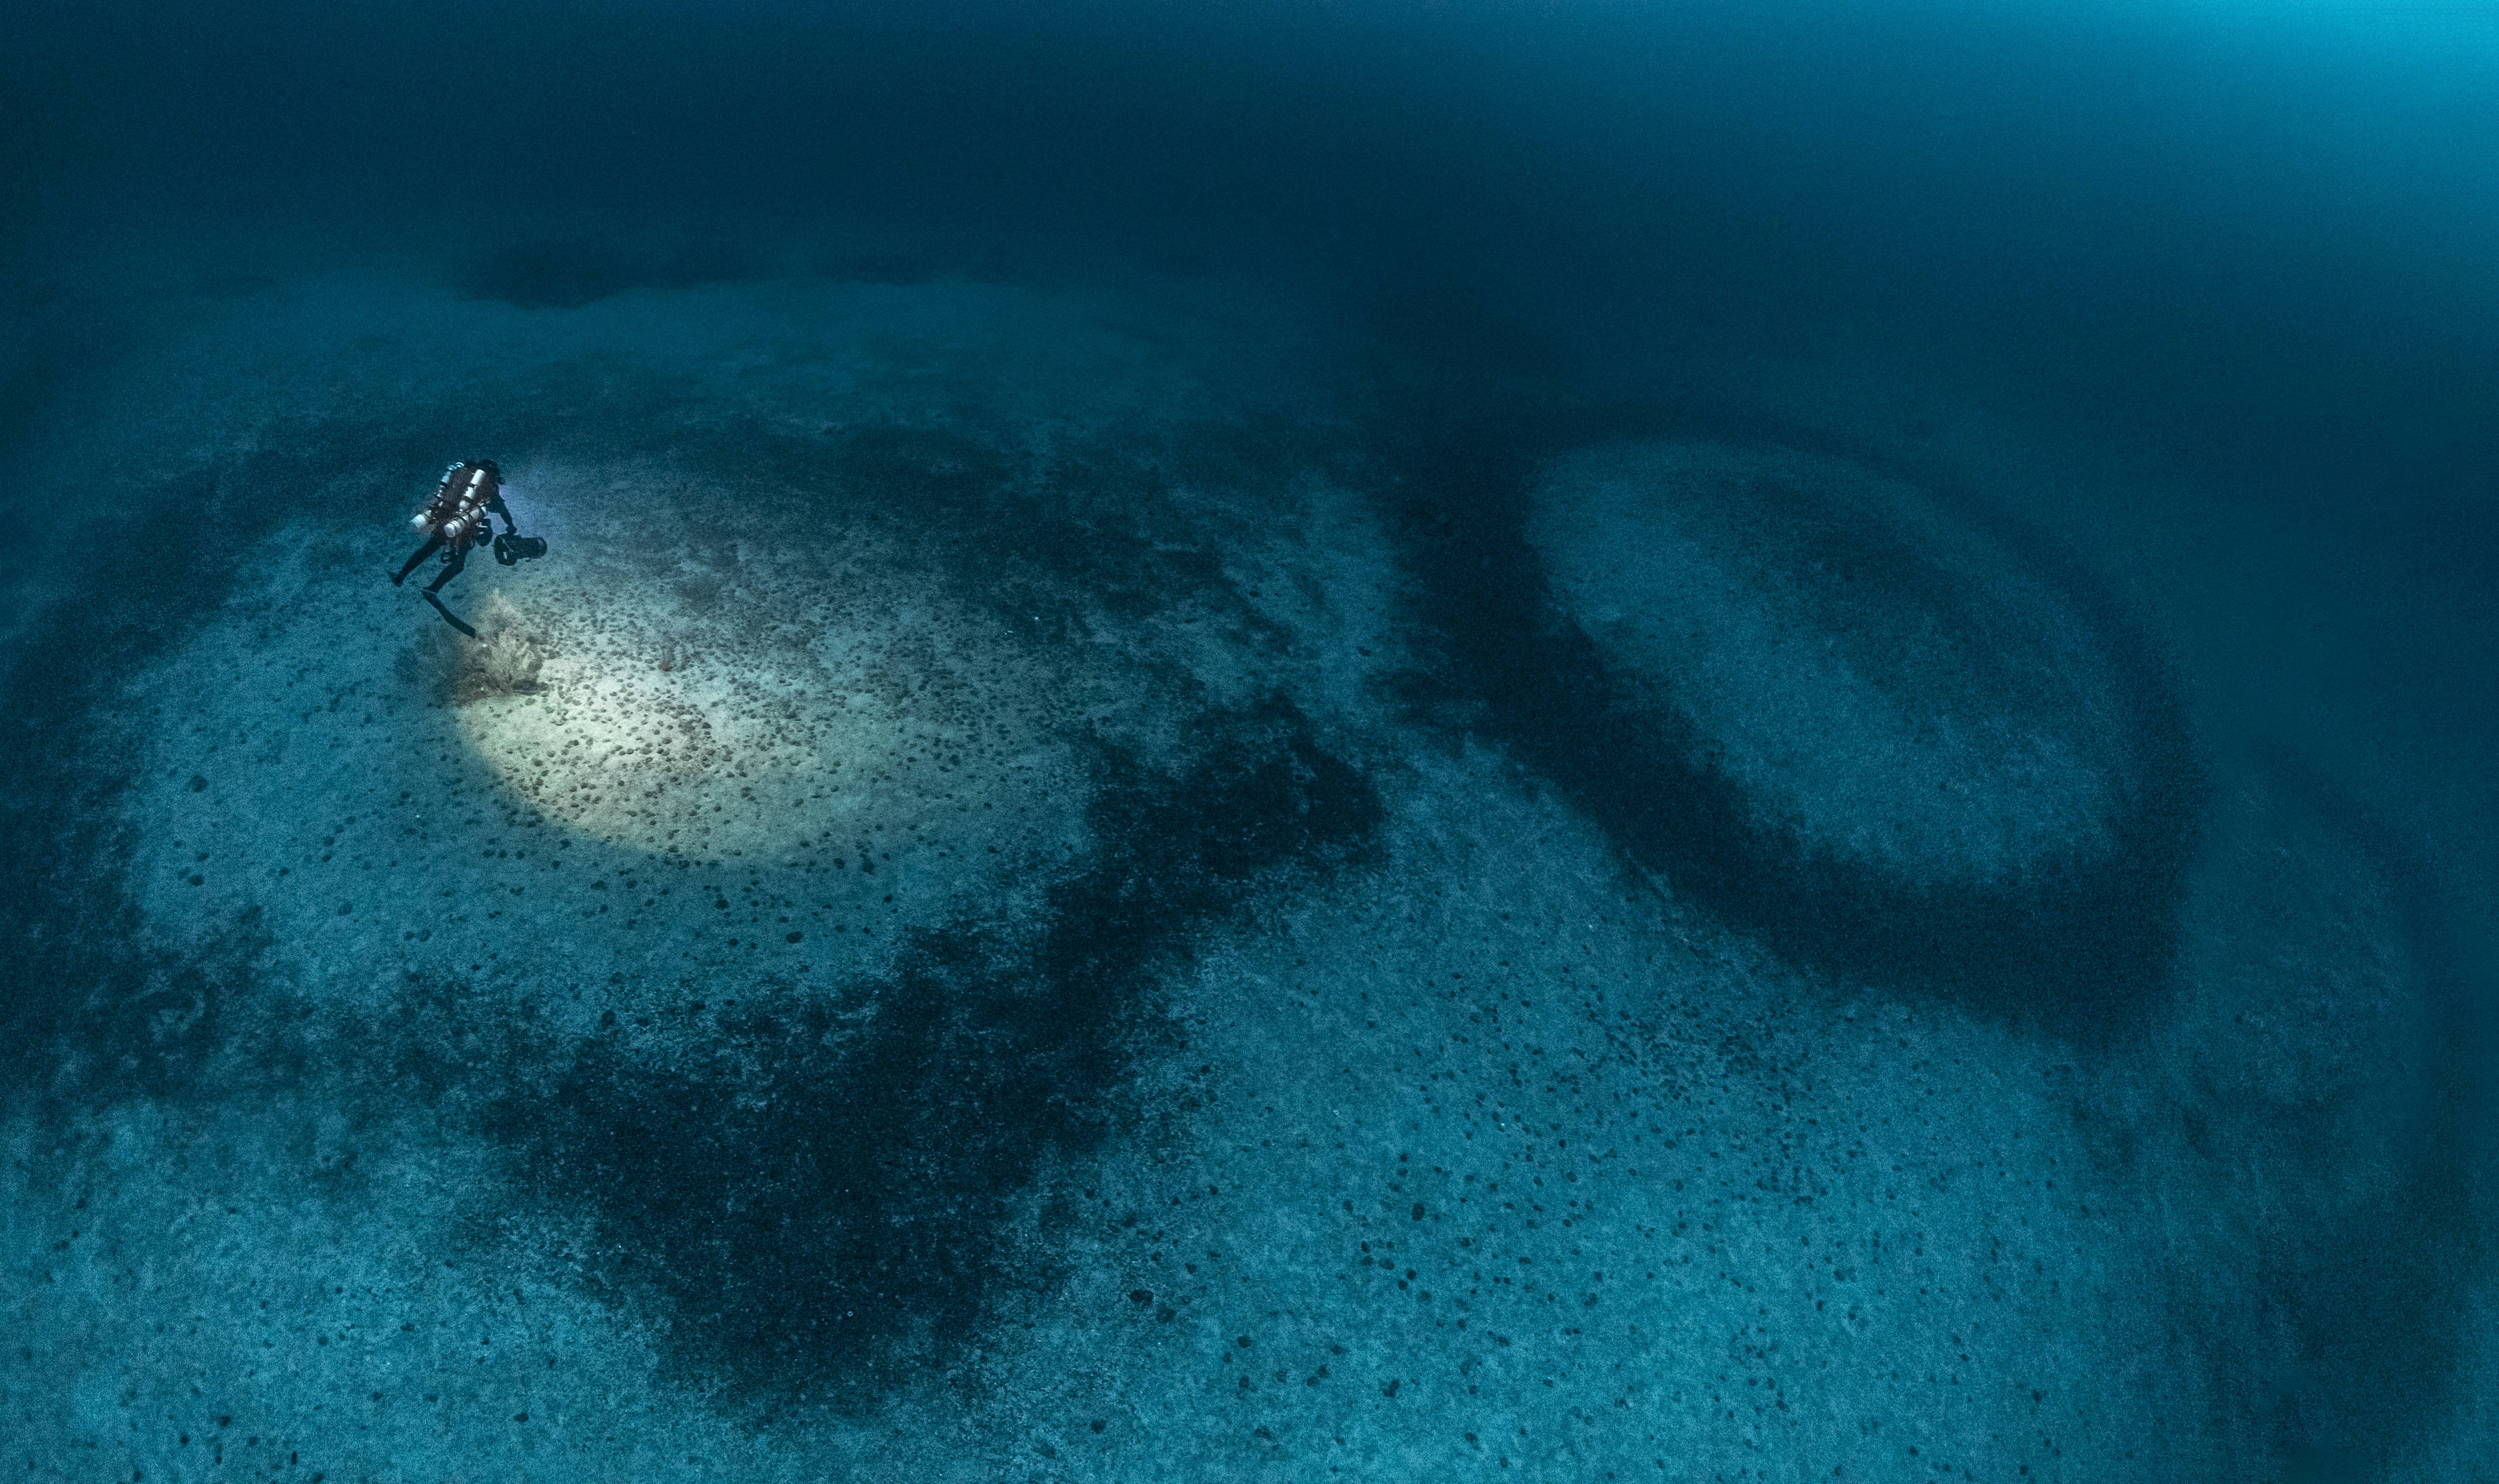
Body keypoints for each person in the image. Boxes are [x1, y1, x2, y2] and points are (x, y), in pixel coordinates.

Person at [392, 459, 515, 594]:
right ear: (493, 473)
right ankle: (433, 590)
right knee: (458, 565)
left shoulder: (461, 475)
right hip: (464, 527)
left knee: (428, 550)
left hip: (444, 517)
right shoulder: (487, 483)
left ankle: (401, 575)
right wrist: (511, 526)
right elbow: (501, 509)